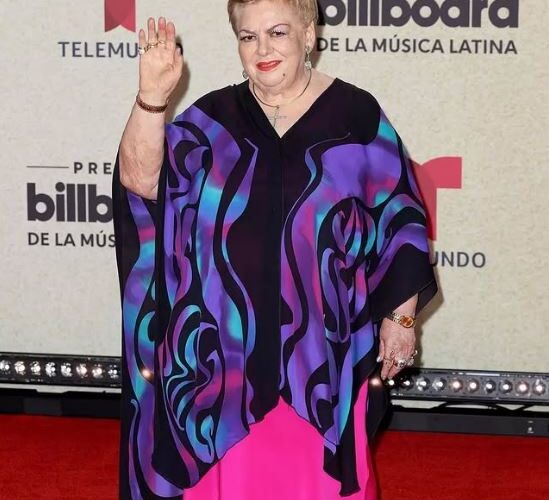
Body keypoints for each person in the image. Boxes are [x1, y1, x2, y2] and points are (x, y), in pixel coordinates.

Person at [112, 1, 438, 498]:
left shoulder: (357, 116)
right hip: (224, 359)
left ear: (309, 35)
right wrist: (152, 99)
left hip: (322, 355)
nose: (262, 48)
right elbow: (141, 182)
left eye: (278, 32)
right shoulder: (213, 119)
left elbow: (401, 218)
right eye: (248, 36)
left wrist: (402, 318)